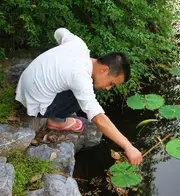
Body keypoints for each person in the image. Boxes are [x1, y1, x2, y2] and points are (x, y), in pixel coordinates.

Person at [15, 28, 142, 165]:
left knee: (86, 88)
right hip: (36, 105)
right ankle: (57, 120)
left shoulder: (78, 44)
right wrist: (128, 146)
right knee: (93, 90)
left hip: (23, 87)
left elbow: (60, 32)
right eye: (111, 83)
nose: (108, 88)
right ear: (104, 69)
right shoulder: (80, 77)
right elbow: (99, 119)